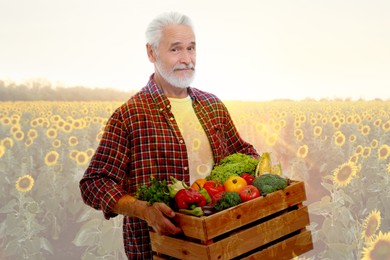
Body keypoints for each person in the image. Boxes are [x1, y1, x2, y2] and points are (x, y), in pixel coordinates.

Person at [79, 11, 258, 259]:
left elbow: (243, 153)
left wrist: (264, 170)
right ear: (151, 53)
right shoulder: (130, 116)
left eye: (191, 48)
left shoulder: (212, 105)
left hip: (219, 243)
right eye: (175, 50)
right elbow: (94, 183)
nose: (186, 59)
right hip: (157, 249)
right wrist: (143, 209)